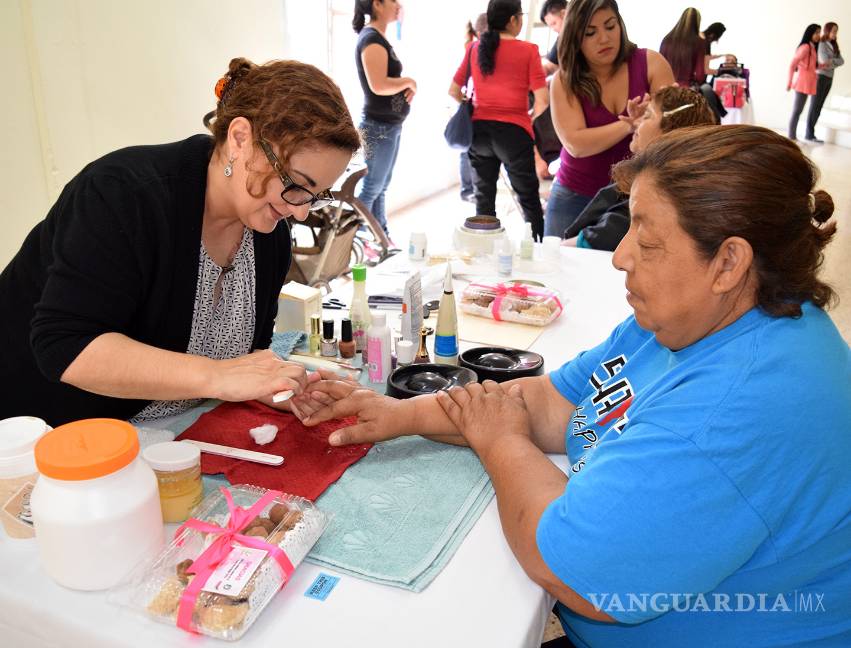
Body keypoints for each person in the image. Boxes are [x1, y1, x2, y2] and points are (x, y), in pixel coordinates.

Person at [301, 125, 851, 647]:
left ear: (729, 262)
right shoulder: (690, 319)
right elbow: (551, 403)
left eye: (649, 240)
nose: (620, 255)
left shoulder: (741, 402)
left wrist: (502, 443)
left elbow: (572, 567)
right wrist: (402, 415)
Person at [0, 58, 361, 426]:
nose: (301, 212)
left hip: (162, 435)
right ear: (240, 139)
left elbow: (242, 358)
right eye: (296, 184)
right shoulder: (122, 195)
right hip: (39, 433)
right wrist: (217, 377)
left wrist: (273, 385)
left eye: (315, 195)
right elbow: (64, 345)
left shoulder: (269, 235)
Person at [545, 0, 674, 237]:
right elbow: (576, 144)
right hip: (574, 193)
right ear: (575, 37)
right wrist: (631, 125)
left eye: (610, 26)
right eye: (590, 33)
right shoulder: (564, 80)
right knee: (556, 267)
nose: (604, 39)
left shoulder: (651, 63)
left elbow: (671, 128)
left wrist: (651, 120)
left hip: (636, 195)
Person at [562, 86, 715, 250]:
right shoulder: (669, 183)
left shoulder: (655, 197)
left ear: (670, 134)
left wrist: (561, 247)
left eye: (647, 116)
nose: (637, 124)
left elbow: (602, 238)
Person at [450, 0, 549, 240]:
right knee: (528, 199)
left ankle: (486, 255)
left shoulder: (475, 48)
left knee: (484, 201)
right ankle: (534, 249)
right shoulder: (528, 50)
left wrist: (472, 104)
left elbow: (454, 90)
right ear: (513, 20)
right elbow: (542, 100)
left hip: (479, 133)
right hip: (514, 134)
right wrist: (528, 117)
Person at [353, 0, 417, 235]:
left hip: (387, 125)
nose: (397, 4)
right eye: (392, 0)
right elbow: (378, 85)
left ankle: (381, 237)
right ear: (377, 4)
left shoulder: (377, 37)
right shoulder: (371, 39)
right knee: (372, 188)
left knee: (380, 187)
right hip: (378, 126)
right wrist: (409, 82)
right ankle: (358, 241)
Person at [458, 15, 487, 203]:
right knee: (468, 150)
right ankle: (470, 189)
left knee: (467, 150)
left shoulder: (471, 47)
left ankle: (469, 189)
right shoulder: (475, 49)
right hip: (475, 106)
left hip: (471, 104)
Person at [788, 24, 828, 142]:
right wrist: (789, 82)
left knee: (798, 111)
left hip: (808, 82)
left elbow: (810, 66)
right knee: (797, 111)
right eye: (816, 32)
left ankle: (792, 136)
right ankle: (791, 137)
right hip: (802, 83)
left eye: (819, 33)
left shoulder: (812, 47)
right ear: (809, 33)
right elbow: (793, 64)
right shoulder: (805, 47)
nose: (818, 35)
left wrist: (822, 66)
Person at [809, 22, 844, 143]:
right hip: (821, 77)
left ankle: (811, 133)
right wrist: (833, 62)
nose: (835, 33)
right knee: (814, 105)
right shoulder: (822, 44)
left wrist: (831, 62)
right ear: (828, 31)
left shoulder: (834, 45)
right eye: (833, 31)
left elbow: (842, 61)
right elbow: (823, 61)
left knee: (819, 106)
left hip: (829, 78)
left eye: (836, 31)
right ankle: (809, 134)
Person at [659, 7, 705, 88]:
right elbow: (699, 75)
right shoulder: (699, 42)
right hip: (686, 90)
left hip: (665, 89)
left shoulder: (666, 39)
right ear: (697, 23)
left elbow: (659, 66)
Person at [540, 0, 568, 76]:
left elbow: (550, 66)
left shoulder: (566, 36)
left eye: (554, 23)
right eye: (550, 26)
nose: (553, 29)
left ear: (564, 14)